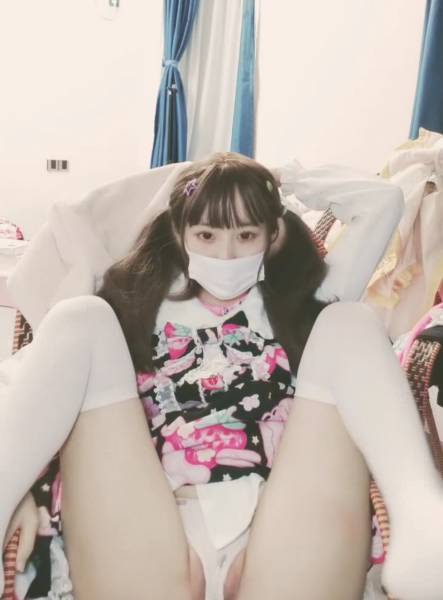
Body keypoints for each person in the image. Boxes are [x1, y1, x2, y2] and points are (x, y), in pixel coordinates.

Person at [1, 151, 442, 600]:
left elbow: (383, 202)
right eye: (207, 235)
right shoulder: (131, 302)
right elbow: (35, 382)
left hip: (284, 524)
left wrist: (281, 179)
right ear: (180, 233)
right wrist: (23, 488)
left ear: (273, 235)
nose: (225, 254)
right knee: (78, 316)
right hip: (148, 522)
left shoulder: (305, 302)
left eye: (246, 235)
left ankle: (422, 515)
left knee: (350, 320)